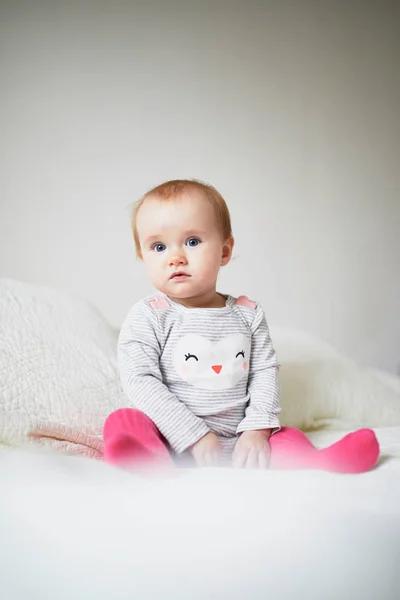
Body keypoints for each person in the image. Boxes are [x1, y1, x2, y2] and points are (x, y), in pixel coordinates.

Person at [103, 179, 379, 473]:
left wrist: (257, 430)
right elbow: (140, 380)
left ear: (224, 251)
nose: (175, 258)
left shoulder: (248, 315)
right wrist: (192, 434)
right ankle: (145, 458)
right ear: (143, 256)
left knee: (286, 437)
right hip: (172, 437)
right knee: (125, 420)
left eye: (193, 241)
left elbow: (264, 373)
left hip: (243, 442)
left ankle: (321, 462)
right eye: (158, 246)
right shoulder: (149, 315)